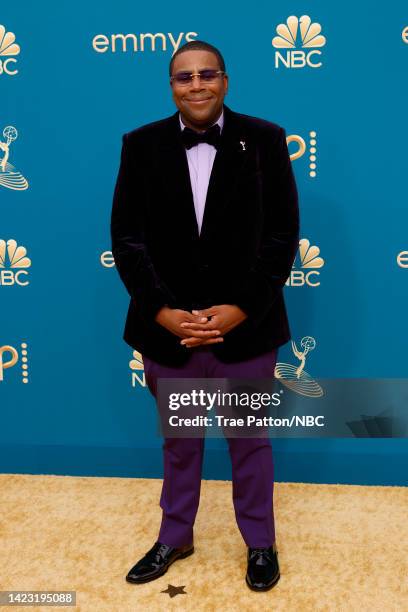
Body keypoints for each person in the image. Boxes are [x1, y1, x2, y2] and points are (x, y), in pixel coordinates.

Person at [111, 40, 299, 591]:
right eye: (183, 78)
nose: (196, 85)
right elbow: (127, 239)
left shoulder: (265, 140)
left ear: (225, 80)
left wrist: (240, 309)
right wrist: (162, 312)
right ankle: (175, 536)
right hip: (168, 331)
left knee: (249, 441)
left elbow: (282, 235)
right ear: (171, 86)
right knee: (180, 440)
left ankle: (260, 544)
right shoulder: (140, 145)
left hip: (248, 327)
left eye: (206, 74)